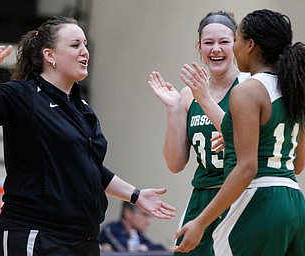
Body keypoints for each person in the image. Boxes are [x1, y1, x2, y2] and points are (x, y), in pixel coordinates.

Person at [0, 16, 177, 256]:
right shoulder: (25, 95)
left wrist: (135, 195)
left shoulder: (82, 108)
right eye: (75, 45)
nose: (85, 51)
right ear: (50, 55)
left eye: (85, 44)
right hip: (36, 233)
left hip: (83, 239)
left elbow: (91, 169)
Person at [173, 9, 305, 256]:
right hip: (295, 202)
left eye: (236, 40)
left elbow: (247, 168)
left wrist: (201, 222)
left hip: (258, 201)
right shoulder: (294, 87)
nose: (233, 48)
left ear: (250, 45)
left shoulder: (248, 91)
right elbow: (298, 164)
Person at [148, 11, 248, 256]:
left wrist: (204, 99)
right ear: (199, 47)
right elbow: (175, 163)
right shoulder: (187, 95)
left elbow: (244, 142)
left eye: (224, 42)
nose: (216, 49)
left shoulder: (248, 86)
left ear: (236, 45)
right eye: (208, 43)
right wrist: (173, 109)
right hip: (201, 196)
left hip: (239, 195)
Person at [99, 201, 168, 252]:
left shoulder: (137, 235)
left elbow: (158, 249)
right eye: (145, 215)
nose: (148, 221)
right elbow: (126, 251)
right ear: (128, 213)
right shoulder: (111, 230)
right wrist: (140, 249)